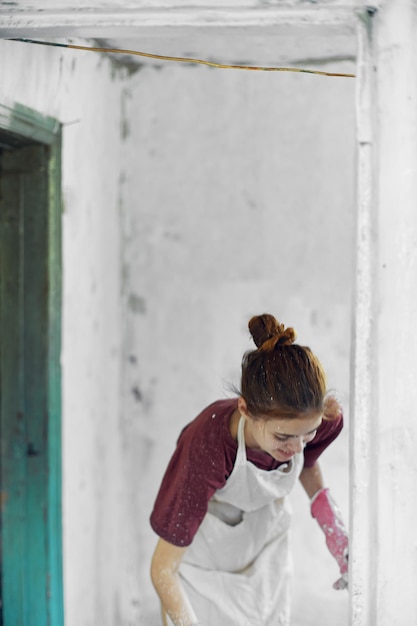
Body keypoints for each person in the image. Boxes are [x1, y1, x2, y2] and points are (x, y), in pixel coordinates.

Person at [150, 314, 348, 626]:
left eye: (306, 434)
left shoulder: (319, 421)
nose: (297, 448)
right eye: (283, 437)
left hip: (265, 542)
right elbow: (162, 570)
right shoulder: (208, 447)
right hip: (205, 556)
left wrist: (330, 522)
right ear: (246, 410)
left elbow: (307, 462)